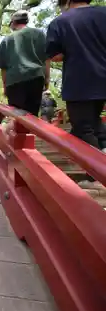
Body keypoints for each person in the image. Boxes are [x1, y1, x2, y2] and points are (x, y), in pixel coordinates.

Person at [46, 0, 106, 188]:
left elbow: (54, 55)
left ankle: (97, 176)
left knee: (82, 129)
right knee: (96, 124)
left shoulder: (61, 22)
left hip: (80, 81)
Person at [0, 10, 50, 122]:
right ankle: (30, 136)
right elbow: (46, 58)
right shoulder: (39, 34)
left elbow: (3, 67)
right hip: (36, 78)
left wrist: (5, 86)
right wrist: (47, 78)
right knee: (32, 118)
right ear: (26, 21)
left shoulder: (7, 40)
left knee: (17, 119)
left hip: (14, 82)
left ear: (13, 23)